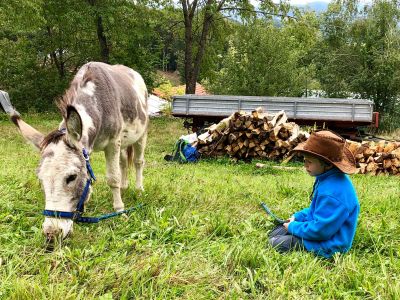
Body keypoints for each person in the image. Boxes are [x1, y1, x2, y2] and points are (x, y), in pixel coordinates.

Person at [268, 130, 360, 258]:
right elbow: (316, 210)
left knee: (275, 243)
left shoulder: (332, 194)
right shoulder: (326, 177)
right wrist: (298, 217)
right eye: (304, 160)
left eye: (309, 162)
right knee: (277, 231)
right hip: (319, 232)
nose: (305, 165)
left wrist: (294, 227)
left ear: (327, 164)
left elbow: (321, 231)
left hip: (329, 244)